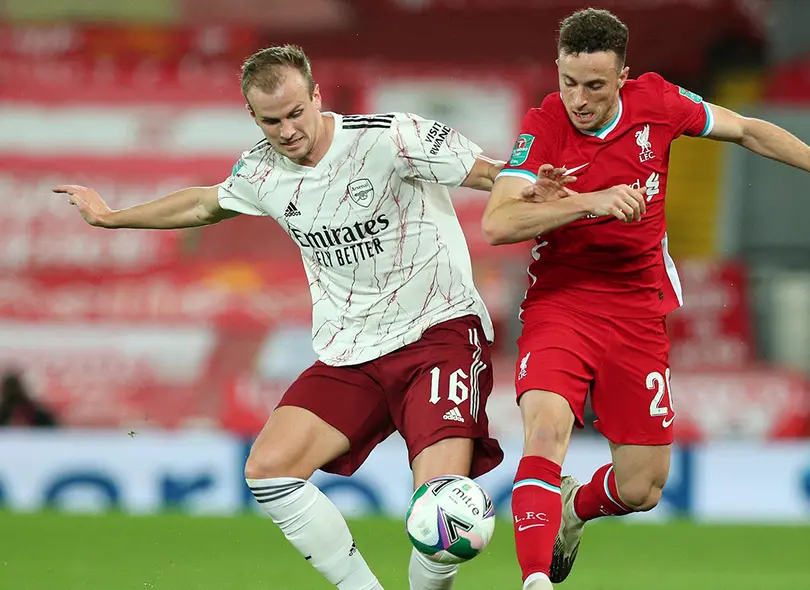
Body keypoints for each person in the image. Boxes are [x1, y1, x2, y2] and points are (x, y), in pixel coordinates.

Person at [56, 44, 567, 590]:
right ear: (253, 117)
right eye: (271, 120)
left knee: (442, 511)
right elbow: (205, 204)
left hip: (436, 332)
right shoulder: (261, 170)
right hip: (351, 351)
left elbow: (487, 172)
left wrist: (534, 189)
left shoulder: (389, 136)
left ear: (317, 96)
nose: (288, 130)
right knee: (269, 470)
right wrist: (112, 219)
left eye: (297, 113)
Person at [482, 9, 810, 590]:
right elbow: (499, 222)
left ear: (623, 76)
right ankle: (534, 581)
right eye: (568, 81)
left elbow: (749, 128)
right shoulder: (544, 125)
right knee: (545, 431)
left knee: (642, 488)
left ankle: (574, 508)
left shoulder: (658, 102)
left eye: (595, 86)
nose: (578, 99)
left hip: (636, 310)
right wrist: (586, 202)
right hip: (564, 302)